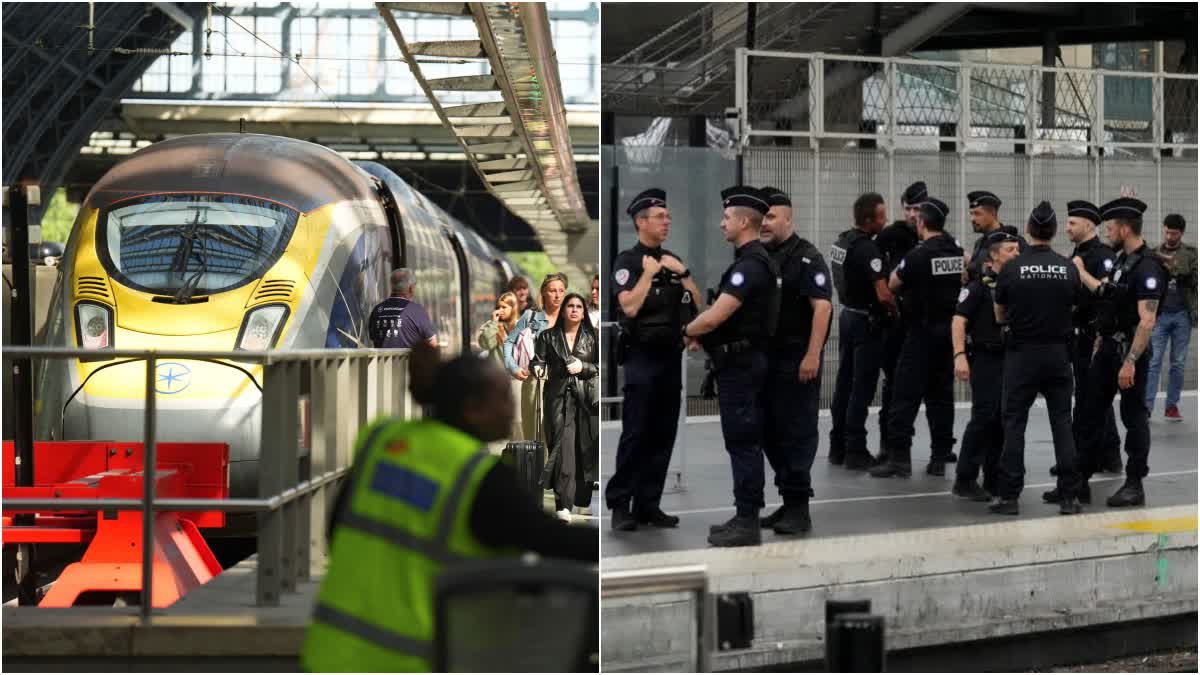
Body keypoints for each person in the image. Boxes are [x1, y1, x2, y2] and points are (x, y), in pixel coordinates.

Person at [300, 342, 597, 673]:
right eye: (501, 398)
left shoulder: (382, 441)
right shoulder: (479, 478)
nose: (510, 410)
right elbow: (551, 539)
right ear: (471, 408)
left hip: (328, 654)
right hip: (410, 662)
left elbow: (336, 530)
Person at [683, 185, 780, 547]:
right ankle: (744, 514)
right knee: (742, 441)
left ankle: (747, 521)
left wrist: (687, 330)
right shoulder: (751, 262)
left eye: (726, 218)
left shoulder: (750, 266)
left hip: (741, 365)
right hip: (741, 362)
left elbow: (716, 316)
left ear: (742, 221)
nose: (722, 224)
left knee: (742, 441)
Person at [606, 188, 701, 532]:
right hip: (641, 359)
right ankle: (621, 505)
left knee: (663, 433)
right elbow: (629, 306)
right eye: (660, 217)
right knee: (636, 433)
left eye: (668, 217)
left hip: (668, 358)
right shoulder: (627, 262)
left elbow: (700, 306)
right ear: (640, 222)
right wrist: (648, 273)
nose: (667, 222)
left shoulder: (674, 260)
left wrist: (685, 272)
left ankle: (649, 504)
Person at [1067, 197, 1167, 508]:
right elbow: (1108, 296)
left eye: (1110, 228)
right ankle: (1079, 481)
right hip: (1108, 348)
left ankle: (1135, 484)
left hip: (1129, 355)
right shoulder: (1124, 261)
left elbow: (1147, 319)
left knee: (1134, 418)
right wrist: (1101, 337)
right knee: (1089, 414)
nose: (1106, 232)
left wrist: (1131, 361)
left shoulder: (1149, 266)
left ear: (1124, 228)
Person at [989, 202, 1083, 515]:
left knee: (1014, 423)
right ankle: (1070, 496)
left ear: (1029, 230)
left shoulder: (1012, 268)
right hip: (1058, 354)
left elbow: (1000, 313)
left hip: (1022, 354)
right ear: (1054, 231)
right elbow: (1074, 306)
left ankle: (1009, 496)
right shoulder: (1068, 267)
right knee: (1062, 422)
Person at [755, 186, 832, 534]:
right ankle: (788, 500)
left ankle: (799, 509)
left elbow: (823, 307)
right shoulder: (759, 256)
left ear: (788, 217)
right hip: (766, 361)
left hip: (796, 358)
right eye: (760, 218)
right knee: (769, 432)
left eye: (771, 217)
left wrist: (813, 354)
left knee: (797, 433)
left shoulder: (807, 258)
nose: (764, 223)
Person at [870, 198, 962, 479]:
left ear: (922, 223)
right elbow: (966, 273)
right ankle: (939, 456)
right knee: (941, 396)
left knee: (904, 395)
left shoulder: (919, 255)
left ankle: (899, 459)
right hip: (947, 333)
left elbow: (894, 283)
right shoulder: (955, 250)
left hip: (920, 332)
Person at [828, 192, 898, 470]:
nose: (886, 220)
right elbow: (882, 293)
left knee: (844, 383)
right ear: (869, 220)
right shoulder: (868, 249)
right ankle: (856, 449)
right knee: (862, 386)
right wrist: (895, 309)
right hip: (867, 322)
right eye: (882, 216)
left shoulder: (842, 241)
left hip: (847, 316)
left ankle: (838, 447)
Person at [951, 229, 1020, 501]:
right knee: (983, 417)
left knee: (1003, 420)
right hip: (985, 358)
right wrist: (959, 355)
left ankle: (993, 477)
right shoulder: (978, 288)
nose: (1016, 254)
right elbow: (958, 321)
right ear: (993, 258)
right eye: (1010, 250)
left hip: (1010, 358)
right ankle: (965, 478)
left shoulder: (1015, 285)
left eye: (1018, 249)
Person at [1063, 200, 1123, 475]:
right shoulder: (1077, 253)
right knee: (1089, 398)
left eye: (1072, 222)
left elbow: (1107, 296)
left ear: (1089, 225)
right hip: (1078, 335)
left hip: (1094, 336)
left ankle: (1102, 456)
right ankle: (1092, 456)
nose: (1067, 227)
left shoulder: (1102, 255)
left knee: (1093, 399)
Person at [533, 293, 599, 521]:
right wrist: (538, 369)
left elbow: (600, 367)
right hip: (558, 399)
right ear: (563, 311)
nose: (574, 309)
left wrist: (584, 366)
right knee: (562, 447)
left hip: (585, 400)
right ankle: (564, 504)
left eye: (578, 306)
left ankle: (578, 498)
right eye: (570, 306)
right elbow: (537, 361)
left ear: (583, 312)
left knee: (583, 448)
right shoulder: (547, 336)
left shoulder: (593, 337)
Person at [873, 181, 925, 465]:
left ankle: (941, 449)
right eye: (909, 208)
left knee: (932, 388)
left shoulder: (934, 238)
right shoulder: (891, 235)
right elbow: (875, 272)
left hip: (922, 323)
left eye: (918, 208)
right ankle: (889, 446)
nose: (914, 214)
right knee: (893, 385)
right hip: (895, 322)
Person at [503, 273, 567, 442]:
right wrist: (513, 367)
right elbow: (509, 342)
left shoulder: (570, 317)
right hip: (534, 383)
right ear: (544, 293)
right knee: (536, 439)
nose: (557, 295)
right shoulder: (531, 317)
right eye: (553, 290)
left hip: (564, 383)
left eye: (561, 291)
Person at [1145, 214, 1196, 421]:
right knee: (1154, 361)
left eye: (1173, 233)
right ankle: (1147, 406)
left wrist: (1171, 267)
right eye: (1167, 231)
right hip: (1160, 314)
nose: (1169, 236)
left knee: (1178, 363)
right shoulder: (1155, 252)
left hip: (1182, 314)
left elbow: (1193, 278)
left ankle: (1171, 407)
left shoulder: (1191, 254)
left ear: (1181, 233)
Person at [368, 268, 439, 349]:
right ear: (411, 288)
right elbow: (433, 343)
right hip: (408, 361)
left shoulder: (377, 310)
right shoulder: (417, 311)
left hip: (381, 361)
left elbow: (372, 337)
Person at [965, 190, 1024, 282]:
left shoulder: (1013, 241)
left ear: (992, 214)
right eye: (971, 214)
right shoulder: (979, 243)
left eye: (977, 214)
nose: (972, 219)